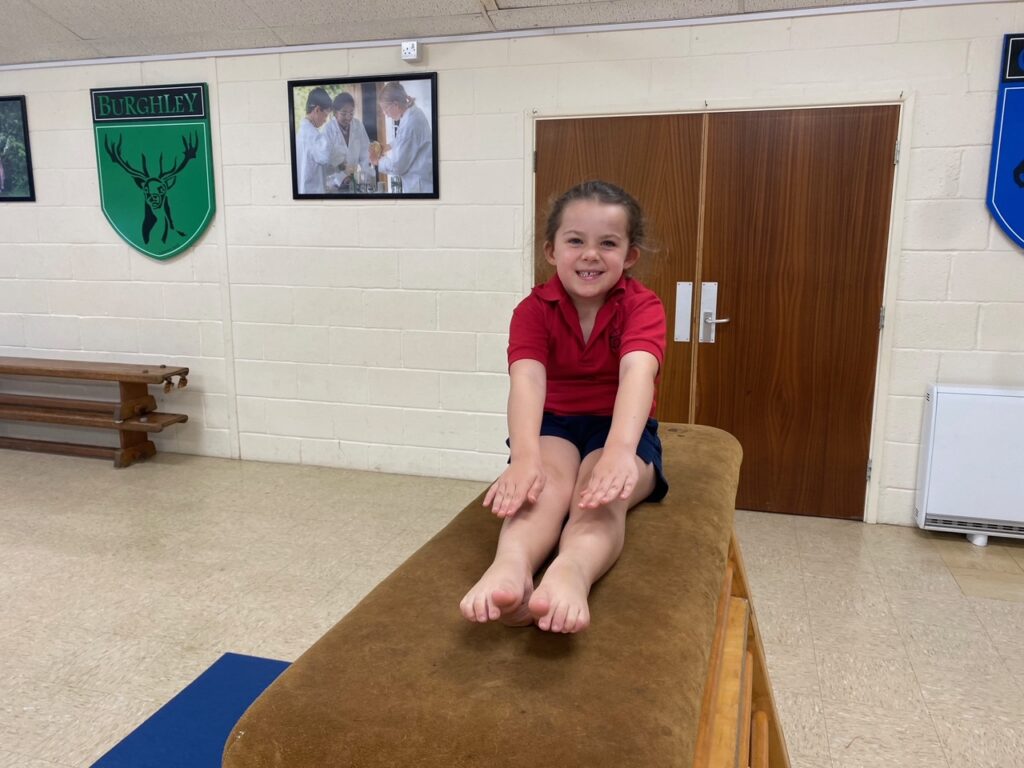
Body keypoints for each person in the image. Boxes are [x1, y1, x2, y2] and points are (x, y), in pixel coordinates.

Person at [460, 180, 668, 634]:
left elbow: (638, 373)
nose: (590, 254)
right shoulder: (533, 310)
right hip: (556, 423)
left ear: (630, 255)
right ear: (552, 250)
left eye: (607, 243)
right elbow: (528, 380)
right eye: (576, 241)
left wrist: (618, 450)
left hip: (622, 428)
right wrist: (526, 458)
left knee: (598, 496)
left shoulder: (643, 307)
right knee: (545, 487)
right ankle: (511, 567)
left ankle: (570, 571)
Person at [369, 81, 433, 193]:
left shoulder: (410, 124)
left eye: (385, 109)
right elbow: (406, 139)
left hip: (420, 187)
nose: (385, 114)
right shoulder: (413, 113)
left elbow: (398, 167)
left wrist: (377, 161)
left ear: (395, 104)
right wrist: (388, 146)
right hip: (422, 182)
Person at [324, 91, 373, 188]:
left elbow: (365, 154)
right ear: (335, 113)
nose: (348, 117)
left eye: (351, 113)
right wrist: (342, 178)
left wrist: (366, 176)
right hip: (334, 184)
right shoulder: (328, 129)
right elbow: (328, 160)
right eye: (344, 113)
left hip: (353, 181)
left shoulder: (358, 125)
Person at [295, 87, 333, 195]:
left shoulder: (302, 132)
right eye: (325, 115)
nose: (325, 120)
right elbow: (325, 157)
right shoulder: (312, 135)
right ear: (317, 110)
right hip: (312, 192)